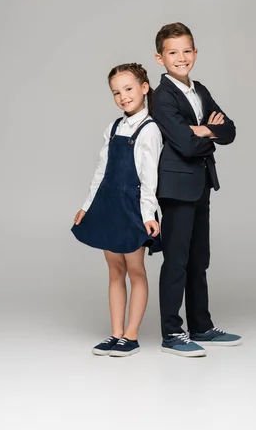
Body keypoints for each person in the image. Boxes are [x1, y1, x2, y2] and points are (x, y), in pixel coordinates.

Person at [153, 23, 242, 357]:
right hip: (176, 187)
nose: (181, 58)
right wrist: (207, 132)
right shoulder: (162, 97)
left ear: (195, 53)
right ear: (160, 58)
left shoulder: (199, 89)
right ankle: (172, 333)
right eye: (173, 52)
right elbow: (187, 146)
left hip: (201, 184)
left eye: (186, 51)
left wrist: (202, 129)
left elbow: (229, 130)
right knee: (176, 260)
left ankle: (201, 327)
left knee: (198, 259)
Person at [71, 63, 162, 357]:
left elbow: (150, 179)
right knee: (114, 270)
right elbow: (101, 170)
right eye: (116, 93)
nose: (123, 97)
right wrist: (87, 205)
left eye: (129, 89)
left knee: (135, 270)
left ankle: (131, 335)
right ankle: (116, 333)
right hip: (108, 204)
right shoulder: (112, 128)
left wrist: (148, 214)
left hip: (133, 207)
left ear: (144, 88)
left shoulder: (150, 130)